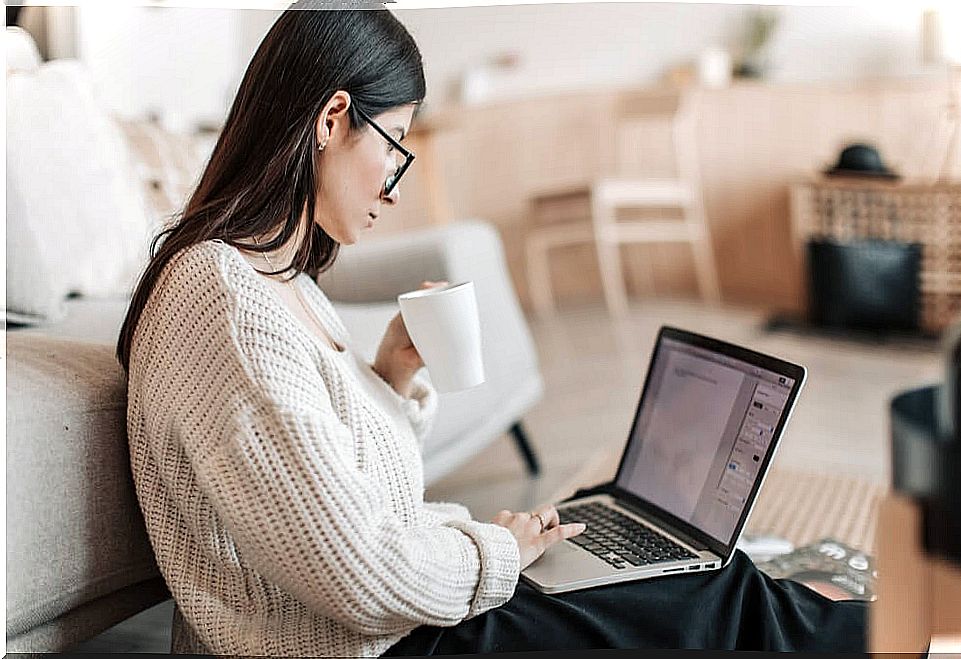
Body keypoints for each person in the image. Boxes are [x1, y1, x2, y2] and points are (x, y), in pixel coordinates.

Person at [117, 6, 867, 657]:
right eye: (396, 144)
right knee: (720, 596)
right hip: (379, 642)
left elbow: (345, 498)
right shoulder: (223, 298)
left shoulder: (282, 285)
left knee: (701, 582)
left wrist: (389, 380)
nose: (397, 185)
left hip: (393, 626)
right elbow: (358, 572)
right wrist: (500, 550)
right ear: (331, 118)